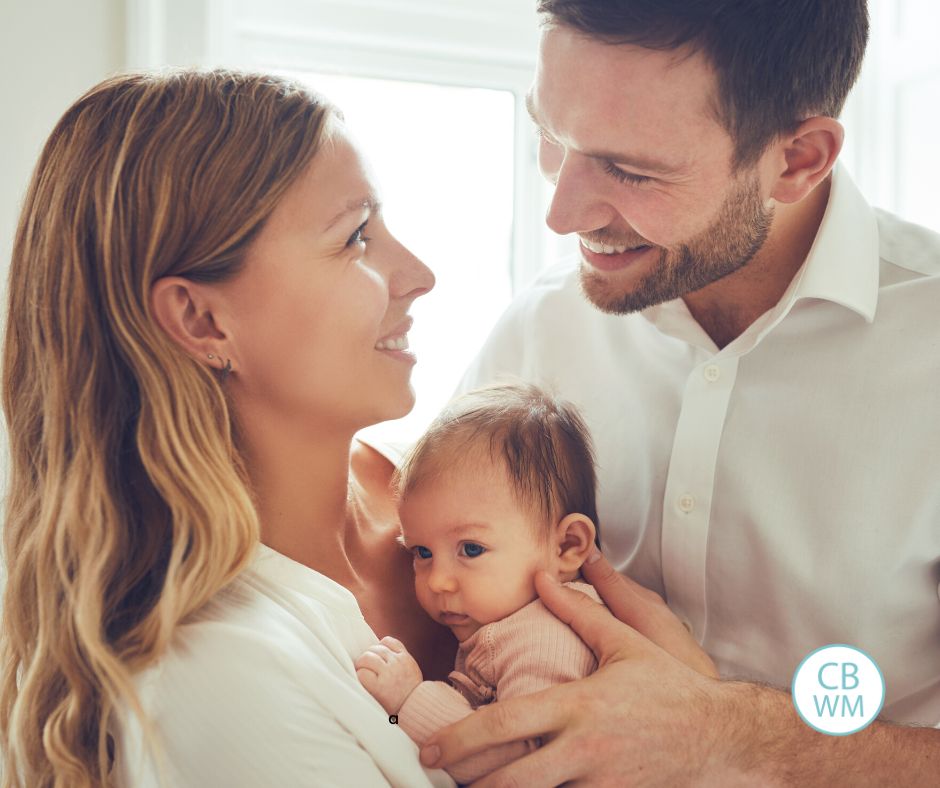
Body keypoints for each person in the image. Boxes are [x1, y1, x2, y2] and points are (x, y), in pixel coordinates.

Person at [418, 1, 940, 785]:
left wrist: (734, 732)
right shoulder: (540, 329)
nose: (563, 213)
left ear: (798, 158)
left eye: (629, 170)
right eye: (550, 138)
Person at [0, 69, 459, 787]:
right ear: (201, 320)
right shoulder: (216, 677)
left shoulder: (462, 485)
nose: (420, 274)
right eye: (356, 238)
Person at [355, 383, 603, 784]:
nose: (437, 580)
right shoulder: (512, 623)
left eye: (470, 549)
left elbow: (529, 762)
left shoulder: (546, 637)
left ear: (567, 546)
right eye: (421, 552)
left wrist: (408, 701)